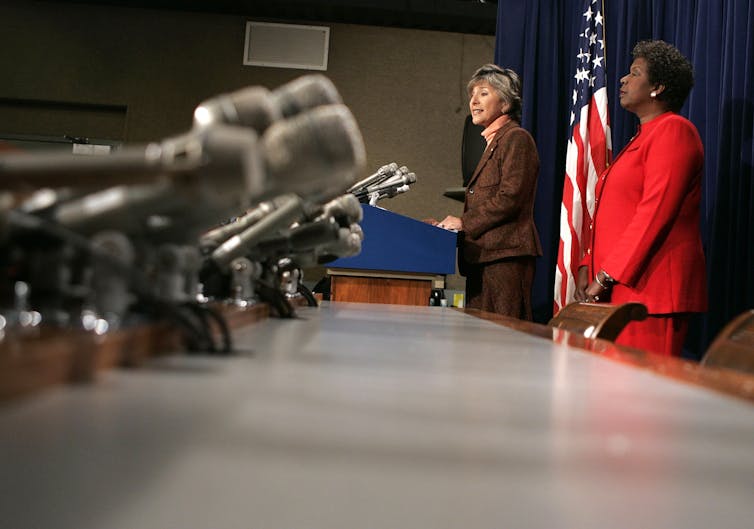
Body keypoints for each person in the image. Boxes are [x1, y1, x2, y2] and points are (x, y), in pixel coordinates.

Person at [575, 40, 707, 356]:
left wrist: (605, 276)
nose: (623, 79)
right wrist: (587, 265)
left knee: (641, 398)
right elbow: (613, 213)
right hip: (618, 289)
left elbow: (654, 213)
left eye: (635, 73)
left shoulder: (674, 131)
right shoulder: (642, 137)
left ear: (658, 87)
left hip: (650, 292)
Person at [437, 64, 542, 319]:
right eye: (472, 94)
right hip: (483, 257)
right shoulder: (493, 142)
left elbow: (510, 196)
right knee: (480, 341)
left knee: (504, 338)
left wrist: (464, 222)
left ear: (505, 103)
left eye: (483, 93)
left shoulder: (516, 138)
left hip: (505, 256)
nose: (473, 100)